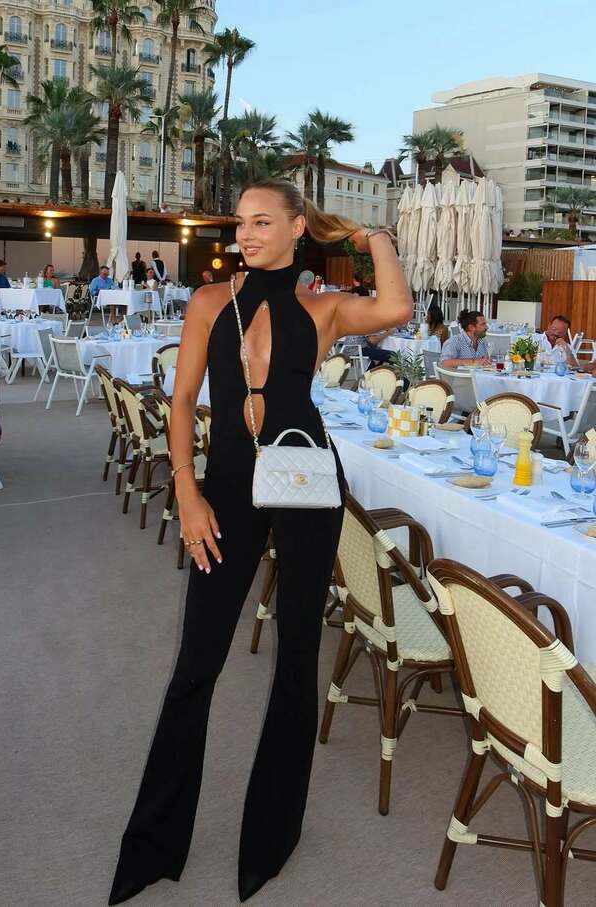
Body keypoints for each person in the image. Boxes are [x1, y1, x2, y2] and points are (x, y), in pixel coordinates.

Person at [108, 178, 412, 905]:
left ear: (297, 227)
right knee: (196, 661)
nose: (244, 233)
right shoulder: (210, 301)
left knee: (297, 655)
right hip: (226, 486)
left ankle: (271, 839)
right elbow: (183, 399)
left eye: (262, 221)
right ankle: (153, 845)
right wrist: (185, 490)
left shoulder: (322, 306)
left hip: (307, 482)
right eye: (240, 222)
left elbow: (396, 308)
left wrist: (372, 236)